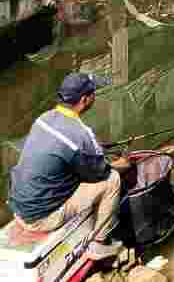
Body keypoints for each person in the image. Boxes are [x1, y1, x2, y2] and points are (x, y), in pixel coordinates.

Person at [8, 73, 125, 261]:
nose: (95, 96)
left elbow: (61, 149)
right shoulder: (81, 134)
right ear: (85, 99)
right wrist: (122, 164)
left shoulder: (43, 119)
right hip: (41, 219)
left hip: (19, 208)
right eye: (93, 93)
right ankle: (98, 243)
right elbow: (100, 173)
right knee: (112, 180)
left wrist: (93, 149)